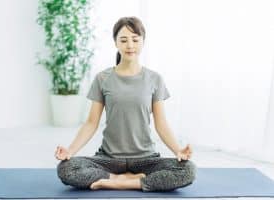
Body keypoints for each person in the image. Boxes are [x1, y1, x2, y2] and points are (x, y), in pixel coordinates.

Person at [55, 16, 196, 192]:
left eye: (135, 39)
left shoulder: (155, 79)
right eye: (124, 40)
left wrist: (178, 151)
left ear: (143, 41)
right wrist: (70, 151)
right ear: (116, 43)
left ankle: (119, 183)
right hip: (108, 159)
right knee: (66, 168)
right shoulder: (102, 78)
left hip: (146, 159)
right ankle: (125, 179)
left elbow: (161, 124)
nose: (130, 45)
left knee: (188, 170)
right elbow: (91, 123)